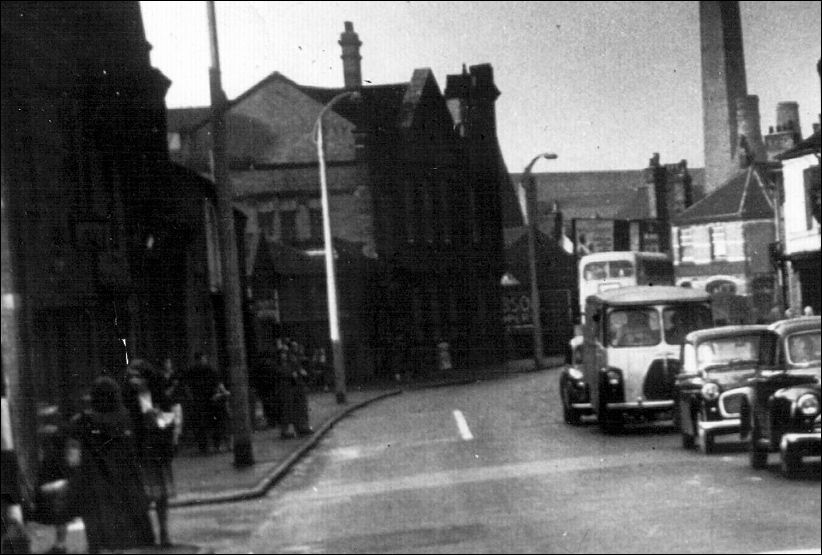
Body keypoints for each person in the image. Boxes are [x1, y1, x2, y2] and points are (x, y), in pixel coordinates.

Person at [66, 376, 154, 554]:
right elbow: (137, 443)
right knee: (122, 531)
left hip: (94, 484)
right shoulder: (125, 417)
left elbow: (72, 456)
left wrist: (73, 473)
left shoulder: (81, 421)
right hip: (123, 481)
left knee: (96, 531)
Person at [123, 359, 177, 547]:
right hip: (139, 452)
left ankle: (164, 531)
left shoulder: (159, 397)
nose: (133, 381)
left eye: (137, 377)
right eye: (131, 377)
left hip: (158, 450)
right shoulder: (129, 399)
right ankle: (145, 533)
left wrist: (158, 419)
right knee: (142, 495)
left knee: (161, 495)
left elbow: (170, 421)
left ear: (147, 378)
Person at [31, 405, 74, 554]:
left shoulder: (47, 433)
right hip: (60, 472)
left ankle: (60, 544)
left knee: (58, 510)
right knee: (61, 510)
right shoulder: (62, 431)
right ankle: (60, 543)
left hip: (52, 473)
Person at [184, 352, 230, 454]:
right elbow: (187, 386)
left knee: (212, 423)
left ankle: (212, 446)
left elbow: (218, 382)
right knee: (205, 425)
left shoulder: (209, 370)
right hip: (202, 400)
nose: (203, 361)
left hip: (210, 400)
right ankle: (206, 447)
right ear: (198, 360)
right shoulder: (193, 371)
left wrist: (223, 392)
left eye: (204, 359)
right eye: (202, 359)